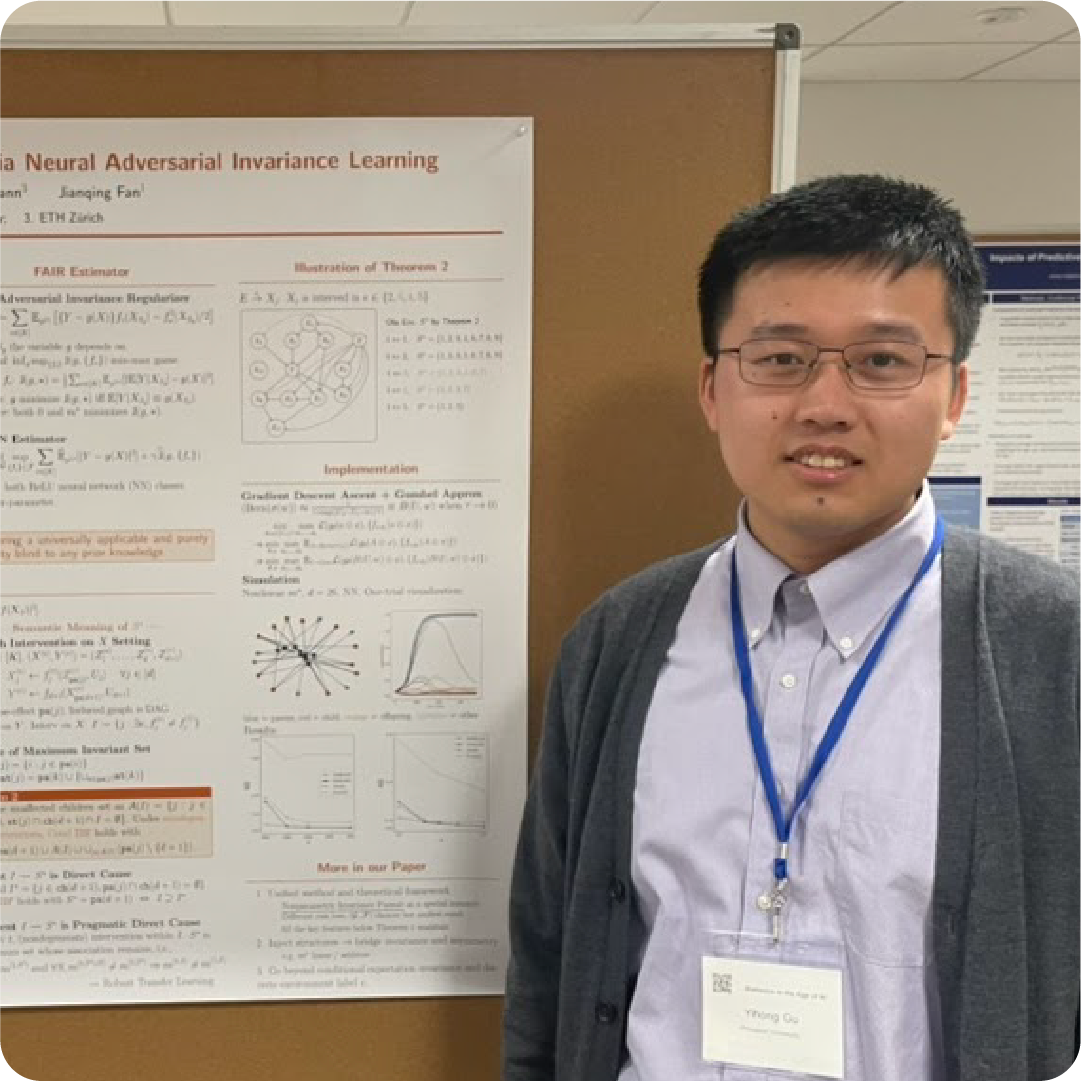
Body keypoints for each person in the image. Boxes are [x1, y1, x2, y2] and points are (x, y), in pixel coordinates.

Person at [502, 174, 1081, 1081]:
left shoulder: (1053, 650)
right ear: (711, 389)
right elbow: (545, 957)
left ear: (955, 394)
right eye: (778, 359)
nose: (824, 404)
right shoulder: (617, 643)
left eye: (882, 361)